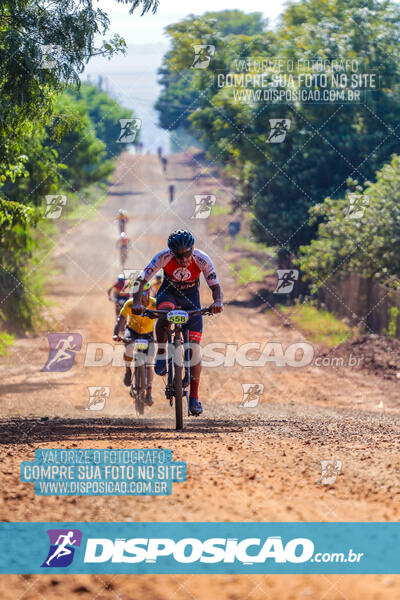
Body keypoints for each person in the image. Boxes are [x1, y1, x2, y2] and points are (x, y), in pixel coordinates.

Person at [130, 229, 223, 416]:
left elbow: (215, 286)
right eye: (178, 256)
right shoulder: (163, 257)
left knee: (194, 349)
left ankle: (194, 398)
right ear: (172, 253)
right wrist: (138, 302)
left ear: (193, 249)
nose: (183, 259)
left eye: (187, 254)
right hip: (169, 292)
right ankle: (163, 353)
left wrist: (218, 301)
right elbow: (140, 281)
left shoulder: (202, 259)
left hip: (191, 297)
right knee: (164, 312)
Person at [113, 282, 156, 406]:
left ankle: (149, 392)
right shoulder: (129, 303)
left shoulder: (154, 303)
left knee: (148, 363)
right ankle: (128, 371)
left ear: (148, 292)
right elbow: (120, 320)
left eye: (144, 293)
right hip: (132, 331)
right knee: (128, 350)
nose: (141, 296)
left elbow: (162, 318)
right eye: (137, 294)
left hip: (148, 333)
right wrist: (116, 333)